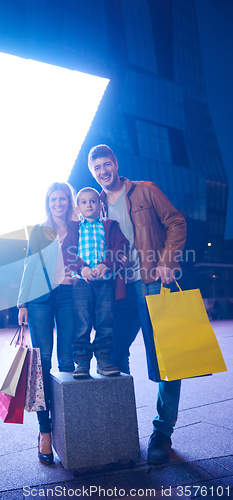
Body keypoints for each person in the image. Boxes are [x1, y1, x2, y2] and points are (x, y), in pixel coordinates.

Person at [88, 144, 187, 465]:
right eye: (96, 168)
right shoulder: (96, 205)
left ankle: (162, 433)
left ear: (116, 163)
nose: (103, 171)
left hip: (151, 282)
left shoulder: (145, 191)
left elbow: (176, 222)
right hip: (117, 290)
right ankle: (123, 427)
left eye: (106, 164)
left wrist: (167, 259)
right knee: (112, 354)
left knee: (167, 359)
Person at [17, 182, 78, 465]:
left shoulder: (79, 227)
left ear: (69, 201)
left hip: (68, 295)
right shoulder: (40, 231)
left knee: (67, 360)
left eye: (63, 199)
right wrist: (22, 303)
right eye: (54, 199)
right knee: (42, 362)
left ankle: (68, 426)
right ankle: (44, 431)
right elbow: (30, 264)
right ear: (48, 202)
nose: (58, 203)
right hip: (40, 297)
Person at [62, 187, 128, 378]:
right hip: (82, 282)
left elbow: (121, 246)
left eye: (93, 201)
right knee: (81, 321)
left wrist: (105, 265)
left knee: (105, 320)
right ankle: (82, 361)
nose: (89, 204)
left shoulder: (109, 225)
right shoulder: (74, 228)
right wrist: (81, 268)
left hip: (105, 281)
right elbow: (67, 251)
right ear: (78, 207)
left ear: (100, 205)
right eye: (84, 202)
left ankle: (104, 360)